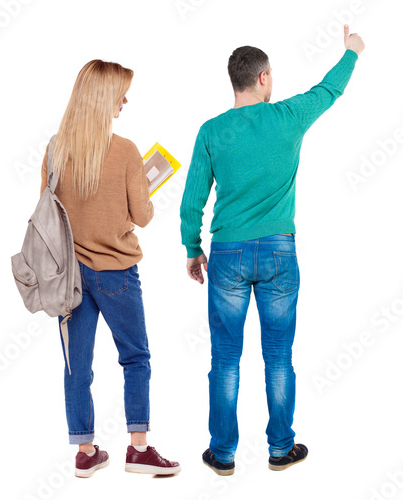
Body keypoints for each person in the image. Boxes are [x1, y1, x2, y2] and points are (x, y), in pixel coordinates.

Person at [180, 25, 365, 475]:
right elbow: (330, 89)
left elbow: (192, 199)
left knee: (224, 357)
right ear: (263, 78)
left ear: (234, 81)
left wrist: (192, 247)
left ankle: (222, 454)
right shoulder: (288, 116)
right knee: (278, 355)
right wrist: (352, 52)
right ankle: (281, 448)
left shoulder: (211, 131)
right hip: (281, 253)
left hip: (226, 255)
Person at [40, 59, 180, 478]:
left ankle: (85, 452)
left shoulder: (55, 149)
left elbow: (48, 216)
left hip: (69, 278)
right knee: (135, 358)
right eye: (121, 92)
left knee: (76, 366)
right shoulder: (125, 151)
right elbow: (143, 216)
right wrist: (145, 190)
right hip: (117, 273)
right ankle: (138, 450)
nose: (125, 100)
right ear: (103, 99)